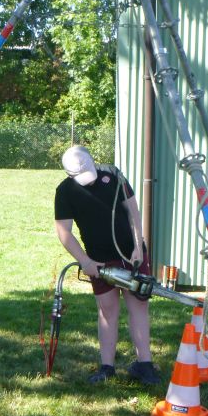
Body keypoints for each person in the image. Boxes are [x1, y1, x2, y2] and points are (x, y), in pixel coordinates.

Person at [54, 145, 158, 385]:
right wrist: (86, 262)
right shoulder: (65, 191)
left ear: (92, 162)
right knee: (107, 309)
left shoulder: (114, 176)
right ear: (69, 175)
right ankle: (107, 367)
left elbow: (133, 213)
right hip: (98, 259)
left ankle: (145, 365)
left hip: (130, 255)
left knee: (138, 306)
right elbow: (64, 233)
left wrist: (136, 248)